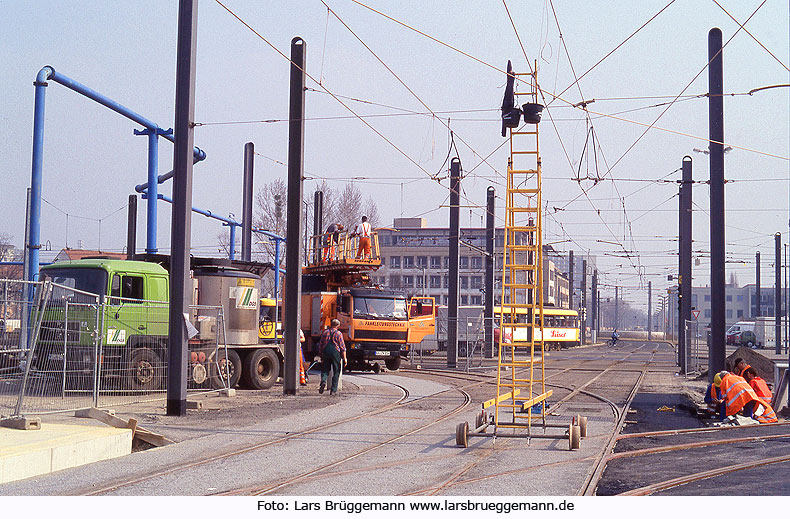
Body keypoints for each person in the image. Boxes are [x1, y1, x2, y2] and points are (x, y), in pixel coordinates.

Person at [319, 319, 347, 395]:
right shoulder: (339, 334)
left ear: (331, 324)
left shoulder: (325, 332)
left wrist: (321, 355)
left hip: (326, 352)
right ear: (338, 325)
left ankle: (323, 381)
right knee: (336, 371)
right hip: (335, 353)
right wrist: (345, 358)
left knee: (325, 369)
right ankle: (333, 390)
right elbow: (342, 347)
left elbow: (321, 345)